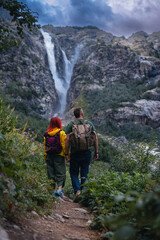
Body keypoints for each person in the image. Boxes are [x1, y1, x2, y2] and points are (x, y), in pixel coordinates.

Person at [65, 107, 98, 202]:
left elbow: (67, 139)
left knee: (74, 173)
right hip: (87, 152)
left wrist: (67, 153)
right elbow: (95, 138)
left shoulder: (71, 124)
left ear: (74, 115)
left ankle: (77, 191)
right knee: (85, 173)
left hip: (75, 153)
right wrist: (96, 152)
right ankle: (84, 195)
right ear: (82, 114)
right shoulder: (89, 123)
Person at [44, 117, 66, 199]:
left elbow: (45, 146)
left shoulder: (47, 134)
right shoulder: (61, 133)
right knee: (61, 172)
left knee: (51, 173)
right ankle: (59, 190)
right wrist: (66, 155)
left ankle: (52, 190)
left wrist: (45, 157)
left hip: (49, 155)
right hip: (59, 155)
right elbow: (64, 145)